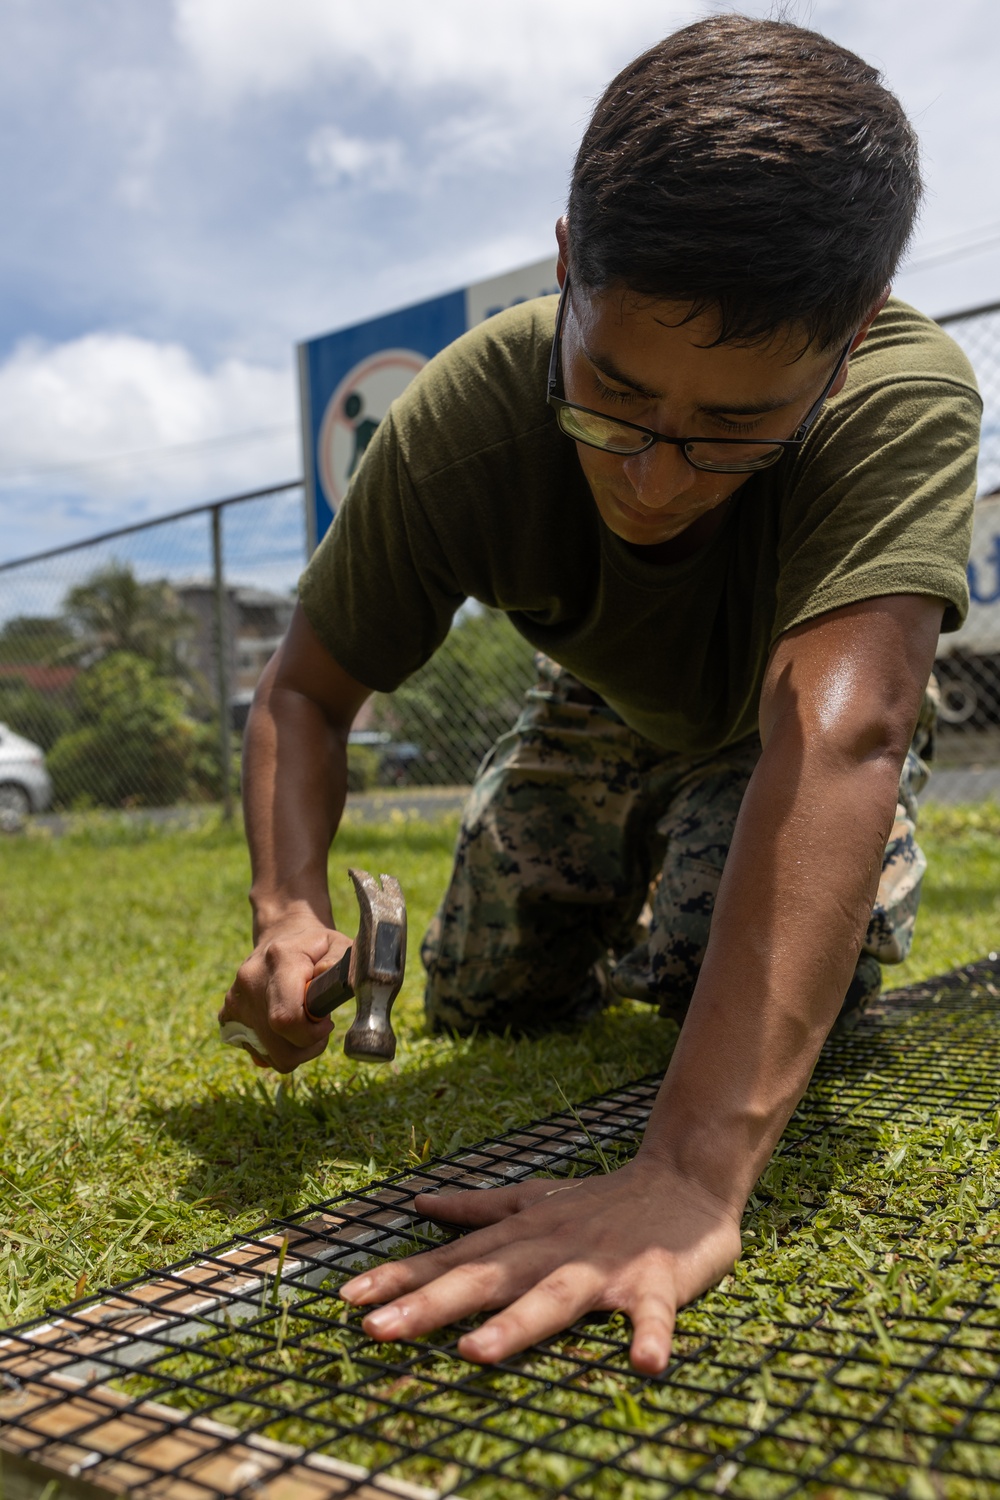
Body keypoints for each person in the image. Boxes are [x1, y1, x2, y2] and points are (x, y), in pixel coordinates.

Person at [220, 15, 980, 1374]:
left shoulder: (906, 396)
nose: (655, 476)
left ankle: (690, 919)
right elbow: (301, 693)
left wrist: (687, 1173)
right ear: (569, 267)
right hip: (598, 710)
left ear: (850, 338)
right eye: (612, 397)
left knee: (716, 985)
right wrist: (287, 909)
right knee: (488, 998)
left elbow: (842, 731)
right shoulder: (464, 416)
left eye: (735, 427)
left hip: (778, 733)